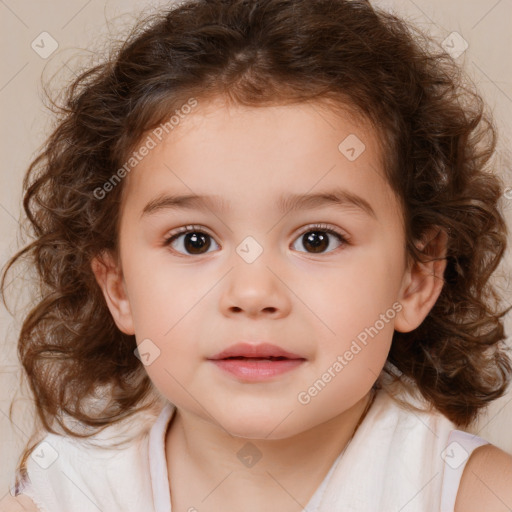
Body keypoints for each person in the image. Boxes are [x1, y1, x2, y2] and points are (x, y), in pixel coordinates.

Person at [1, 0, 512, 510]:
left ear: (415, 278)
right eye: (193, 240)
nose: (252, 294)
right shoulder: (62, 493)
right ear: (117, 286)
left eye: (317, 239)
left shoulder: (479, 496)